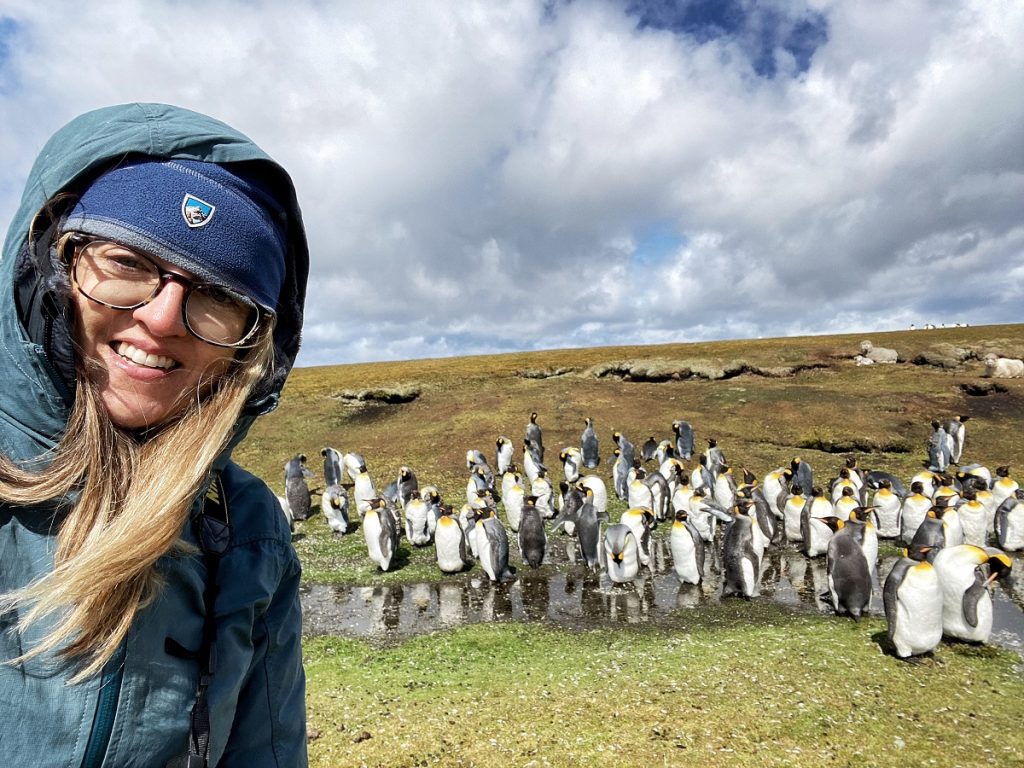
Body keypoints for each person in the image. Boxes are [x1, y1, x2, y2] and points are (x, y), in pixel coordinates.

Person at [0, 103, 309, 766]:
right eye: (127, 263)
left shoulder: (248, 531)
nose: (162, 318)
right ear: (55, 269)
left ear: (248, 348)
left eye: (217, 294)